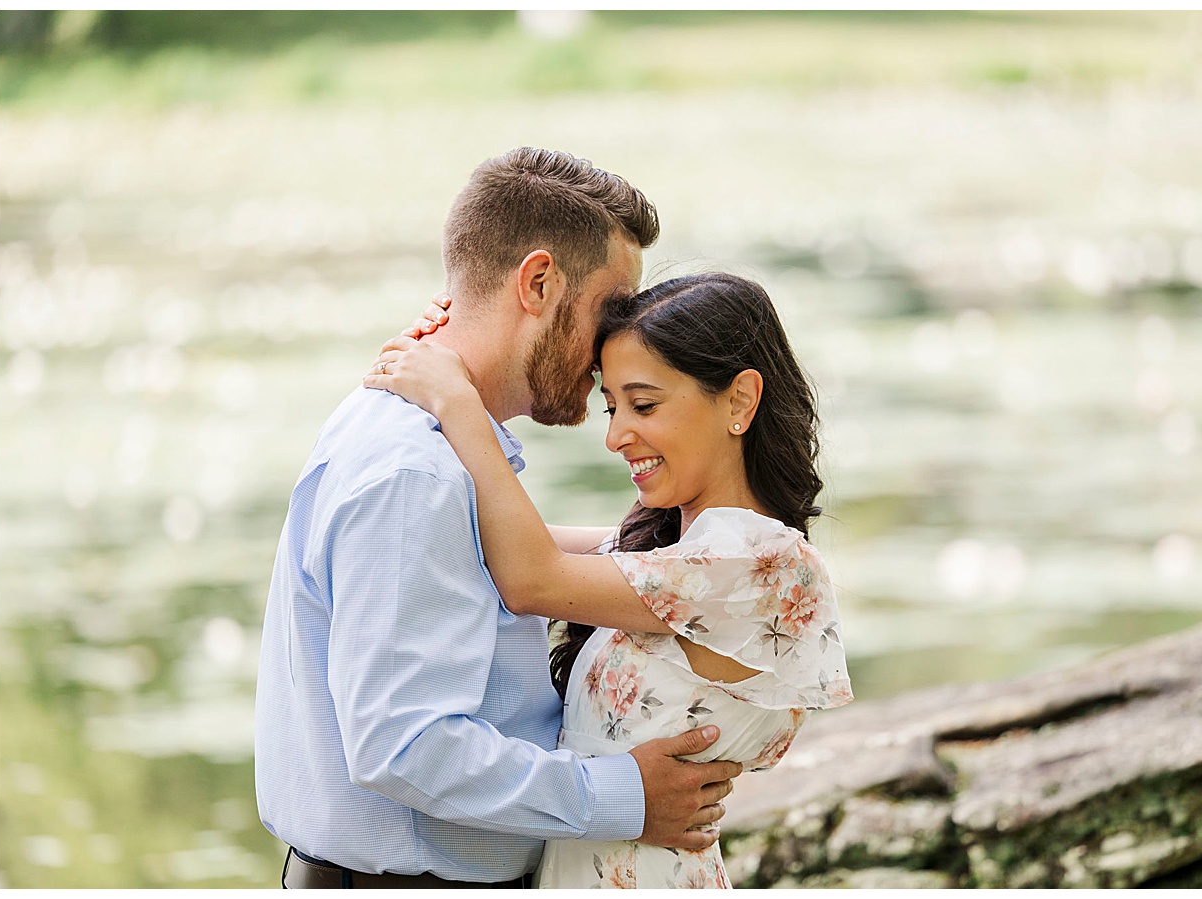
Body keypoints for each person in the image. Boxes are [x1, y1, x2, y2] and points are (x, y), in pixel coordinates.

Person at [255, 148, 743, 888]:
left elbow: (526, 559)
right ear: (539, 282)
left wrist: (703, 562)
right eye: (611, 308)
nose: (619, 342)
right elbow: (404, 744)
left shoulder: (434, 438)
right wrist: (622, 794)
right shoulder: (415, 471)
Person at [365, 271, 852, 889]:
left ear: (740, 401)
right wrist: (446, 344)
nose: (616, 434)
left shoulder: (760, 564)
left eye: (643, 405)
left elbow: (530, 577)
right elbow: (497, 540)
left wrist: (457, 402)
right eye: (613, 406)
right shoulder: (682, 553)